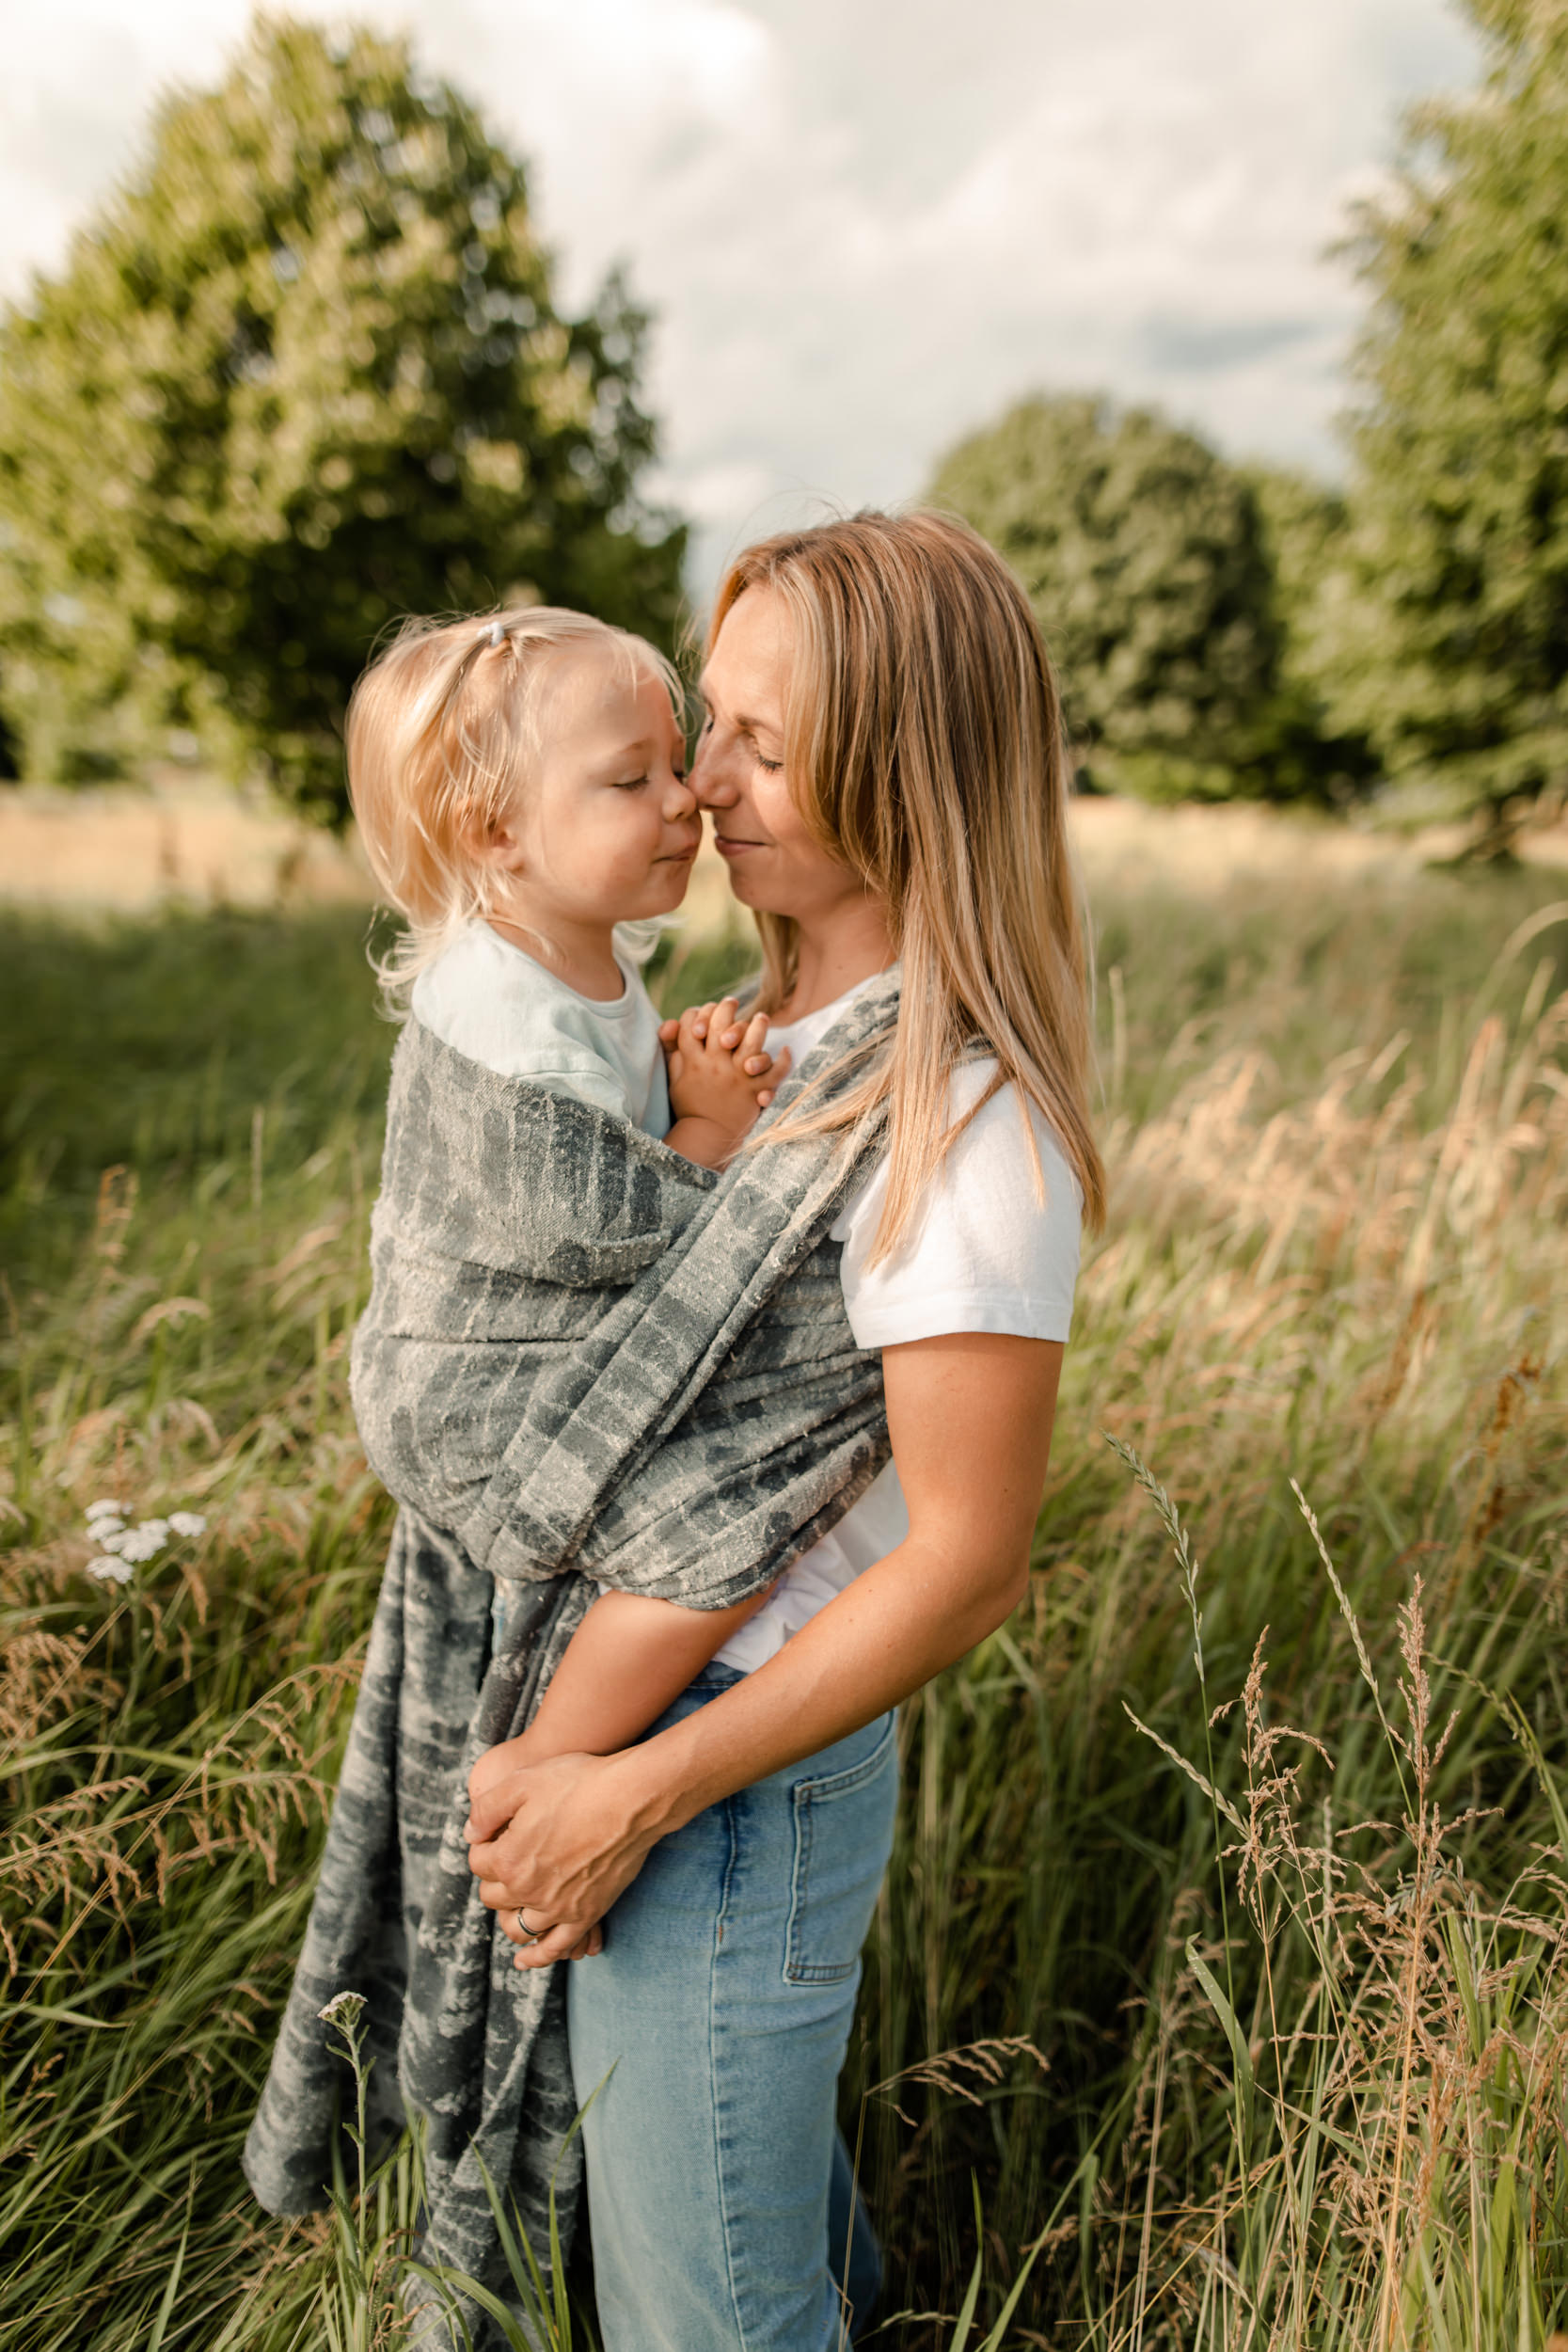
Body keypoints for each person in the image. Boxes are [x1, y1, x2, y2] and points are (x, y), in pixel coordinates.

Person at [463, 510, 1105, 2350]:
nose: (699, 782)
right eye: (700, 722)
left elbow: (967, 1558)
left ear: (903, 763)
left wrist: (633, 1792)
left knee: (707, 2323)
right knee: (743, 2253)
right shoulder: (761, 1038)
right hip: (653, 1727)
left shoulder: (961, 1117)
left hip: (730, 1773)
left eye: (756, 737)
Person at [346, 605, 799, 1833]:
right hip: (472, 1390)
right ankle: (550, 1778)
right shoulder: (505, 1016)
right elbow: (601, 1233)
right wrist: (707, 1129)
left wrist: (677, 1086)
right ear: (497, 831)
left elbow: (616, 1143)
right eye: (627, 781)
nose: (683, 801)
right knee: (715, 1540)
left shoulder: (583, 950)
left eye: (671, 764)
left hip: (530, 1363)